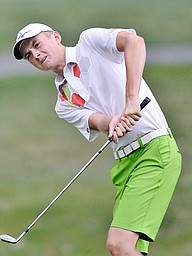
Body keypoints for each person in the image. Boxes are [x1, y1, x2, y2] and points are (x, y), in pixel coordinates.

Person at [12, 23, 182, 255]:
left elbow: (135, 43)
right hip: (124, 165)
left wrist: (132, 99)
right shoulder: (63, 103)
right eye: (28, 56)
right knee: (128, 250)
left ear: (56, 37)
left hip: (154, 149)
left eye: (37, 45)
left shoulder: (90, 42)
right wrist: (110, 122)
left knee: (118, 245)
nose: (36, 55)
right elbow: (99, 121)